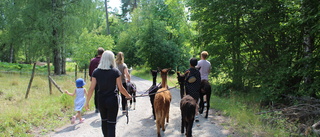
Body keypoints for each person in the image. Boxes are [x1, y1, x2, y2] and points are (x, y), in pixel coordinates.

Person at [85, 50, 132, 137]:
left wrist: (87, 102)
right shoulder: (115, 72)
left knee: (104, 121)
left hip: (101, 100)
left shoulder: (96, 72)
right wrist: (128, 96)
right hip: (112, 100)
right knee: (111, 124)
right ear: (111, 59)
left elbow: (91, 88)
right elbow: (120, 88)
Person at [185, 58, 201, 122]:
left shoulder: (187, 71)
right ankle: (196, 115)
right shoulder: (198, 72)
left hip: (189, 91)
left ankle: (188, 115)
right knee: (196, 103)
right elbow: (199, 82)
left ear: (190, 64)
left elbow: (185, 82)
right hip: (196, 90)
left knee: (188, 103)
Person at [89, 47, 104, 113]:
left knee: (96, 93)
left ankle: (97, 107)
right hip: (103, 79)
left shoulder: (92, 60)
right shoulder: (103, 60)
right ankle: (102, 106)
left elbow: (90, 71)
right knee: (103, 92)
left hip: (94, 79)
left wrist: (91, 77)